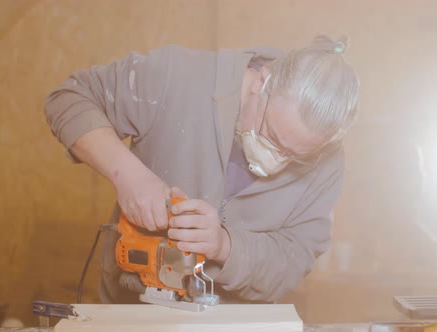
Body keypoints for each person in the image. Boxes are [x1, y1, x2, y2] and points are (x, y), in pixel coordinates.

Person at [44, 34, 360, 304]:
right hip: (134, 310)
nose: (275, 158)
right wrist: (129, 175)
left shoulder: (328, 162)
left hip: (236, 322)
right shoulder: (179, 76)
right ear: (262, 82)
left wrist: (225, 246)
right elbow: (69, 98)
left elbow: (292, 260)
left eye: (295, 156)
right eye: (272, 136)